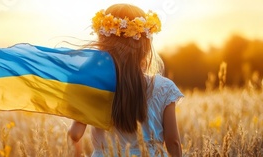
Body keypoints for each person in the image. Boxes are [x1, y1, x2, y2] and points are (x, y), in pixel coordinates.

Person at [68, 3, 184, 157]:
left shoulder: (96, 86)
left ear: (103, 46)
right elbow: (173, 142)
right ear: (146, 47)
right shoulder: (165, 87)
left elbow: (75, 135)